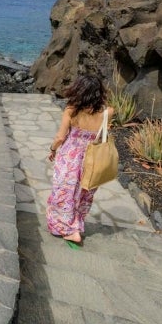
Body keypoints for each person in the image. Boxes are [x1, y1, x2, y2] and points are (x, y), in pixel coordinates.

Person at [46, 74, 114, 247]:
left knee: (64, 193)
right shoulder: (108, 112)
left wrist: (53, 149)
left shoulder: (72, 110)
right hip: (92, 160)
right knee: (82, 195)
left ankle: (69, 230)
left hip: (70, 158)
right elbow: (102, 135)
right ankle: (75, 225)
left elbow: (61, 137)